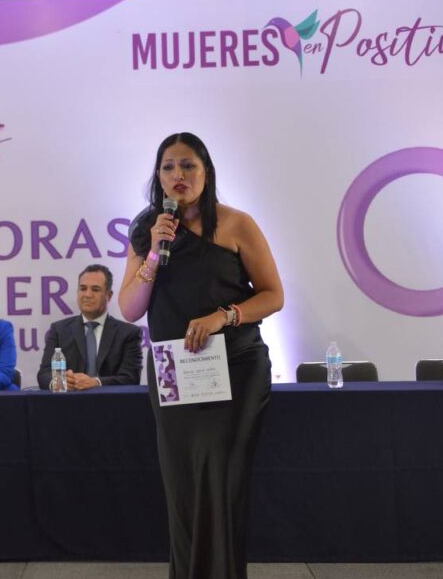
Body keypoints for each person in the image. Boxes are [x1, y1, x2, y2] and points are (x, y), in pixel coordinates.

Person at [118, 132, 284, 579]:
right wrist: (154, 253)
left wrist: (223, 316)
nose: (179, 175)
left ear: (206, 172)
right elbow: (130, 309)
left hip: (235, 366)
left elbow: (273, 296)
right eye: (169, 166)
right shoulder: (147, 230)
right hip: (174, 371)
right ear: (158, 176)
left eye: (188, 165)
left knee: (219, 482)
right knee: (184, 490)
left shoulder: (236, 224)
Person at [38, 264, 143, 390]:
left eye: (95, 289)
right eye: (83, 289)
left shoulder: (128, 333)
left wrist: (96, 382)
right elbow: (43, 375)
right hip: (69, 400)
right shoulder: (59, 330)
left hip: (111, 401)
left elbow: (131, 378)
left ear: (109, 295)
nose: (88, 294)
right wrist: (59, 382)